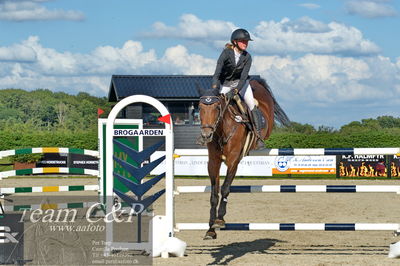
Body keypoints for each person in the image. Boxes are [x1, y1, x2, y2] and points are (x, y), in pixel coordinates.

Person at [211, 28, 264, 145]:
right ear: (235, 42)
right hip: (225, 84)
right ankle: (209, 135)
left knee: (251, 105)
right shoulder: (226, 53)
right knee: (216, 106)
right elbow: (217, 73)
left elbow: (244, 77)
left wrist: (235, 91)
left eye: (247, 41)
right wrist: (215, 88)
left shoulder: (247, 57)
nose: (245, 44)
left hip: (241, 84)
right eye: (243, 41)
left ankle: (258, 136)